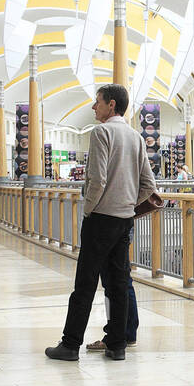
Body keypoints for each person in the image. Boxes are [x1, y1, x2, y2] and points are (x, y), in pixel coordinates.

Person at [45, 84, 156, 362]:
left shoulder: (102, 132)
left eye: (98, 102)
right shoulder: (136, 137)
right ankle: (117, 345)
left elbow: (97, 179)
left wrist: (89, 210)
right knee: (118, 283)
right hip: (124, 220)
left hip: (101, 219)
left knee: (85, 282)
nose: (94, 107)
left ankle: (70, 344)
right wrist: (128, 203)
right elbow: (149, 185)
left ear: (111, 105)